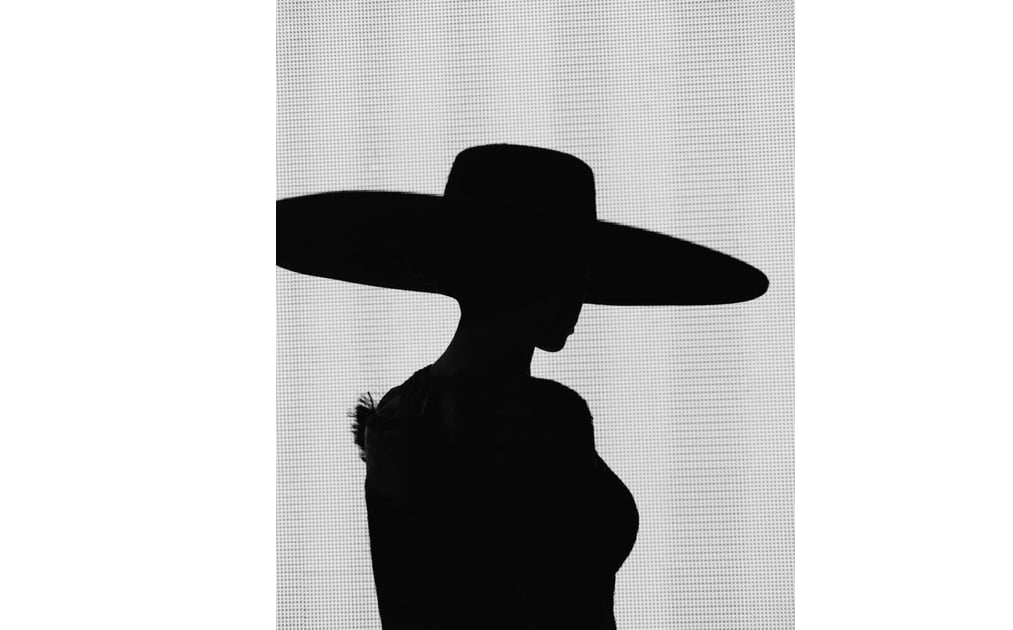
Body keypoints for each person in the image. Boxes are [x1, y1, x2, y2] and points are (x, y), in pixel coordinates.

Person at [278, 144, 768, 629]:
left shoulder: (402, 409)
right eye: (574, 275)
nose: (580, 301)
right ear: (532, 274)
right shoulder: (542, 415)